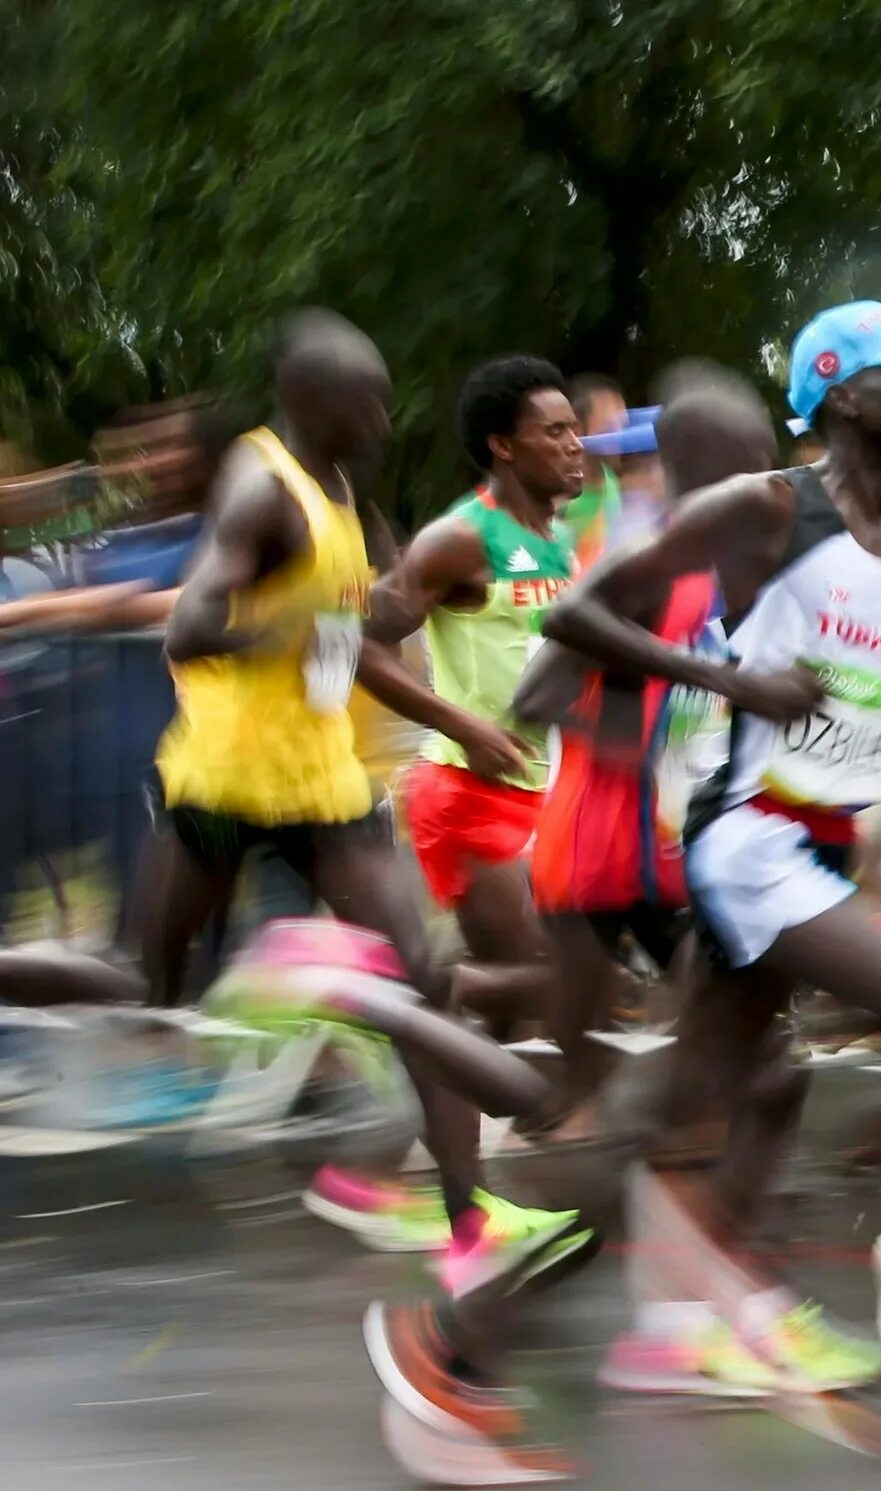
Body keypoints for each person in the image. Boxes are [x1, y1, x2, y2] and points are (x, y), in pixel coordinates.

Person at [524, 301, 881, 1443]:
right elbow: (579, 620)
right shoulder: (770, 508)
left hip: (825, 844)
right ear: (841, 395)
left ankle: (579, 1327)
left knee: (717, 1102)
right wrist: (732, 685)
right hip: (754, 848)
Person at [142, 311, 572, 1307]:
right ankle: (265, 975)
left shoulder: (346, 491)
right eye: (365, 398)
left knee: (422, 984)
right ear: (308, 400)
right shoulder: (262, 491)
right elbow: (192, 624)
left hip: (325, 785)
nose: (384, 413)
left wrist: (381, 626)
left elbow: (358, 628)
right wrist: (308, 631)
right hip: (227, 780)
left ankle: (471, 1220)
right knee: (141, 988)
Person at [511, 365, 776, 1141]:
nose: (769, 480)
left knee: (735, 1020)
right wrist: (628, 738)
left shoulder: (716, 563)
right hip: (594, 843)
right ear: (697, 470)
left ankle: (689, 1155)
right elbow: (534, 697)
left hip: (660, 844)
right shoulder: (643, 565)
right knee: (575, 1099)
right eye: (751, 464)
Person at [362, 356, 588, 1041]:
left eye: (576, 430)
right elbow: (361, 645)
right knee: (549, 981)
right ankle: (390, 1001)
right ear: (503, 444)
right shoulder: (461, 538)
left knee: (538, 998)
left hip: (546, 788)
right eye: (554, 432)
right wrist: (463, 725)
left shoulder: (559, 540)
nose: (575, 446)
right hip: (469, 790)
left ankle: (462, 1071)